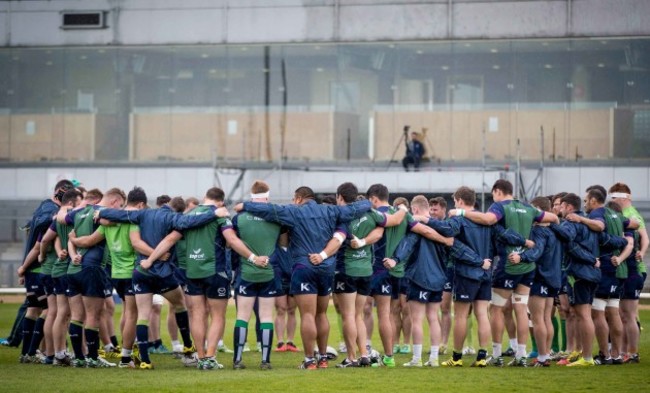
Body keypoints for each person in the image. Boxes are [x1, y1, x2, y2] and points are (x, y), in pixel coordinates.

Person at [234, 186, 372, 370]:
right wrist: (369, 202)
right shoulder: (331, 210)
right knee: (321, 314)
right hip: (326, 268)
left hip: (303, 266)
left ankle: (309, 360)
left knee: (307, 314)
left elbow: (270, 209)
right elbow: (356, 208)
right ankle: (323, 358)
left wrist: (246, 205)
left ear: (299, 198)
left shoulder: (293, 211)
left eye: (293, 198)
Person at [96, 189, 229, 370]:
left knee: (140, 314)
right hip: (161, 273)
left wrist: (101, 212)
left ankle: (141, 360)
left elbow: (121, 214)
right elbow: (188, 222)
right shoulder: (171, 218)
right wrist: (214, 213)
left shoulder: (144, 214)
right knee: (181, 304)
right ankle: (189, 349)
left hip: (139, 271)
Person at [448, 179, 559, 367]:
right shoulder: (528, 208)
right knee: (521, 309)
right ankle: (521, 355)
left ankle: (497, 355)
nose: (493, 198)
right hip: (527, 268)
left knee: (496, 309)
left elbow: (489, 220)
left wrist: (460, 212)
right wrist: (549, 226)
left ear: (498, 191)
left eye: (493, 195)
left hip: (508, 266)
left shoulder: (500, 207)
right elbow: (553, 217)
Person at [387, 195, 451, 367]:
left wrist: (395, 259)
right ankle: (434, 358)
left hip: (419, 277)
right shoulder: (441, 228)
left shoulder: (416, 227)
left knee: (417, 319)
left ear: (414, 210)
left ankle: (416, 359)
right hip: (438, 278)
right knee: (433, 317)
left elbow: (407, 244)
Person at [15, 179, 74, 362]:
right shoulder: (52, 214)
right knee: (49, 311)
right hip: (43, 268)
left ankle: (31, 353)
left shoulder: (42, 208)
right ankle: (41, 352)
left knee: (36, 309)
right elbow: (40, 244)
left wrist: (24, 267)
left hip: (34, 268)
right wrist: (26, 265)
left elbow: (35, 242)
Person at [608, 182, 648, 363]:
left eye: (614, 197)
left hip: (633, 269)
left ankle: (632, 353)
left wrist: (641, 252)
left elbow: (644, 239)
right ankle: (624, 351)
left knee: (629, 315)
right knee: (624, 315)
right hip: (626, 269)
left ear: (625, 198)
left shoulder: (631, 215)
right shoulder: (624, 215)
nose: (612, 201)